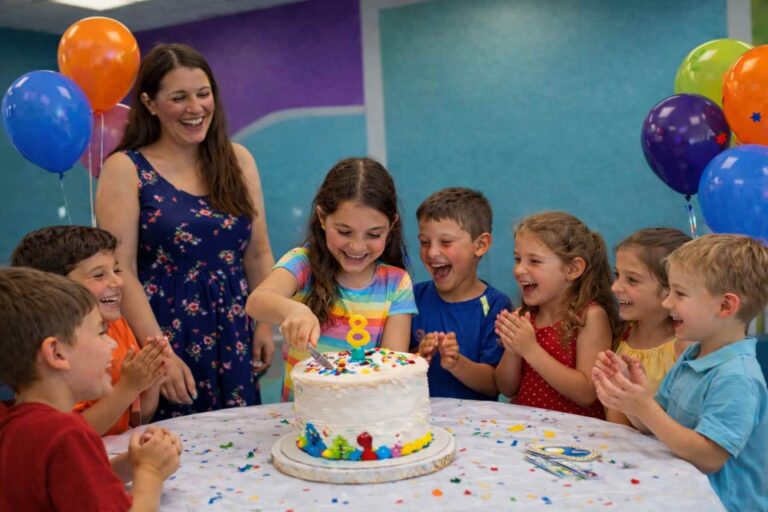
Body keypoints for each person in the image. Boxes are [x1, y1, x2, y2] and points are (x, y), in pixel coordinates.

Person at [96, 43, 275, 418]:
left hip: (234, 329)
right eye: (179, 98)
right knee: (175, 440)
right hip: (166, 330)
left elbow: (257, 254)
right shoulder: (125, 168)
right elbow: (121, 270)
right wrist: (159, 353)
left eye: (203, 94)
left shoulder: (238, 160)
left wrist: (264, 324)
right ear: (150, 103)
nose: (195, 108)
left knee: (238, 439)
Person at [593, 234, 768, 512]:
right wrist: (629, 397)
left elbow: (709, 457)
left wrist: (644, 407)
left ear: (725, 306)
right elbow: (655, 425)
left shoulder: (738, 377)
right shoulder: (692, 355)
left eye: (680, 294)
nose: (667, 303)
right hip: (679, 494)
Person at [0, 267, 181, 511]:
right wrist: (151, 471)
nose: (112, 343)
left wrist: (132, 463)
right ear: (57, 353)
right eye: (101, 332)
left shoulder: (16, 424)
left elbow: (67, 482)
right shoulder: (66, 433)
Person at [246, 157, 417, 401]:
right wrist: (292, 310)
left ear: (391, 226)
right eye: (344, 232)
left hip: (365, 416)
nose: (357, 246)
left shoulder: (396, 283)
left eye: (373, 234)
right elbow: (256, 302)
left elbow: (392, 366)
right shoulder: (303, 263)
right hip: (302, 418)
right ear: (322, 218)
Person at [11, 226, 169, 435]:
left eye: (116, 270)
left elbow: (136, 419)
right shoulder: (60, 344)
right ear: (57, 287)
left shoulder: (118, 325)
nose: (118, 281)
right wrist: (128, 387)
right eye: (99, 275)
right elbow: (65, 436)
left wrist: (150, 380)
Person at [494, 211, 619, 419]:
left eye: (534, 261)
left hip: (575, 432)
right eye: (517, 259)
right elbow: (506, 388)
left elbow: (587, 393)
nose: (519, 270)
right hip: (526, 428)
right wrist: (513, 350)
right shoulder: (524, 317)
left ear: (573, 269)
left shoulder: (590, 317)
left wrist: (530, 350)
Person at [410, 188, 510, 400]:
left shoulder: (496, 306)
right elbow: (393, 364)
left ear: (480, 245)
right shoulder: (411, 297)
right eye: (424, 242)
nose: (432, 252)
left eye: (445, 242)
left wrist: (457, 363)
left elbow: (494, 385)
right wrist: (417, 357)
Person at [605, 227, 692, 425]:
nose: (615, 287)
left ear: (671, 288)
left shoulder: (685, 348)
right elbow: (616, 422)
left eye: (632, 280)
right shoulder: (619, 333)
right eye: (617, 274)